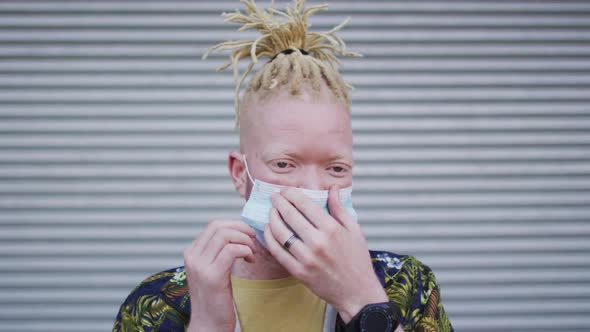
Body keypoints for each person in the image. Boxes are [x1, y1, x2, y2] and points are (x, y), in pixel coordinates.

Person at [113, 1, 453, 331]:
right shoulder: (158, 303)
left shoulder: (407, 285)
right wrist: (208, 324)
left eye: (336, 169)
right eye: (284, 164)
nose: (311, 190)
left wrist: (363, 302)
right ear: (238, 172)